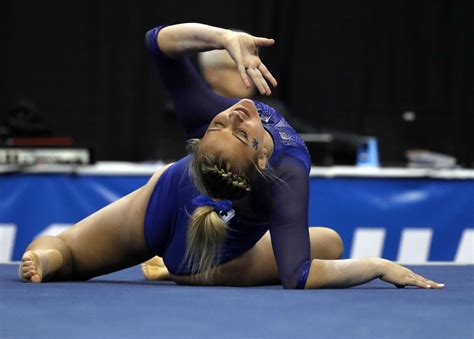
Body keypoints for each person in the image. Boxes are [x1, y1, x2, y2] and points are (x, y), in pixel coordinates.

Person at [18, 23, 443, 290]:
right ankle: (55, 261)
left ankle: (61, 258)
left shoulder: (232, 135)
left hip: (179, 226)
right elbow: (298, 274)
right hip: (202, 260)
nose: (237, 115)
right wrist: (376, 265)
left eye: (234, 129)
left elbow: (157, 43)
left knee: (69, 251)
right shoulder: (288, 171)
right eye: (233, 129)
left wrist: (221, 38)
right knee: (329, 242)